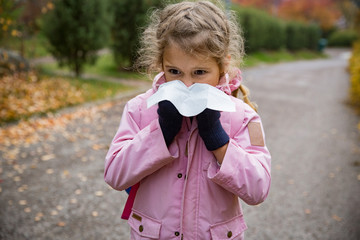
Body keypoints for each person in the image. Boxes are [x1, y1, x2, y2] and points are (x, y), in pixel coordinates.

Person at [104, 1, 271, 239]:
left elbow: (258, 189)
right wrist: (160, 132)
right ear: (160, 63)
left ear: (223, 66)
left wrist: (219, 141)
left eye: (199, 73)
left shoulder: (242, 116)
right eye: (175, 72)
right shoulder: (140, 109)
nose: (186, 86)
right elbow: (114, 175)